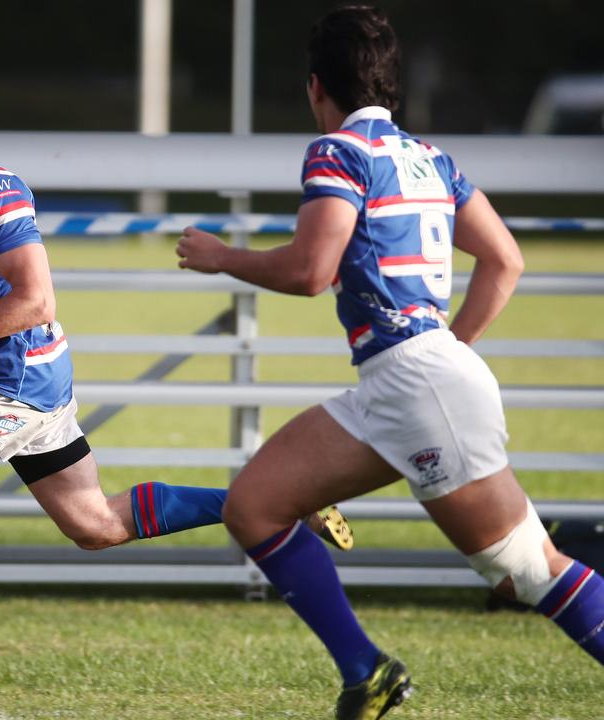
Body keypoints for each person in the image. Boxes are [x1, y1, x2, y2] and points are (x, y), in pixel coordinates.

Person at [0, 49, 355, 711]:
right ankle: (271, 501)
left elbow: (36, 301)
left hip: (11, 376)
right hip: (9, 376)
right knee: (95, 525)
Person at [176, 6, 604, 719]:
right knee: (256, 505)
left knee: (527, 571)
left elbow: (314, 270)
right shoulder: (430, 159)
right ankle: (365, 674)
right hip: (406, 382)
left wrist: (223, 258)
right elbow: (504, 259)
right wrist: (449, 350)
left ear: (317, 87)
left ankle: (365, 668)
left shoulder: (338, 152)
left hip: (416, 383)